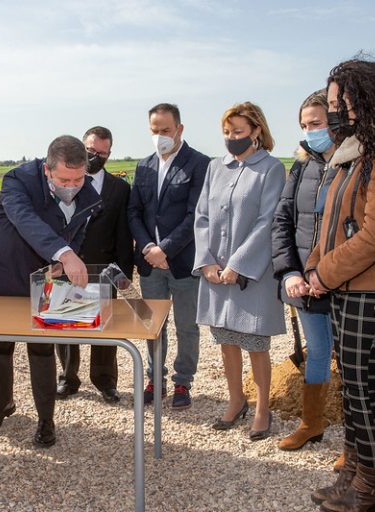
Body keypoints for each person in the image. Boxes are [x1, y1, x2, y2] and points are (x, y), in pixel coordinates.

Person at [303, 60, 375, 512]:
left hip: (368, 289)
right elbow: (327, 223)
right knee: (351, 389)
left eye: (340, 102)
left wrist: (325, 273)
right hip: (344, 287)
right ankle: (352, 471)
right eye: (330, 103)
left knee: (364, 390)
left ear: (363, 100)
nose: (335, 110)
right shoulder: (348, 155)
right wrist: (312, 267)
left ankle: (370, 487)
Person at [0, 135, 101, 448]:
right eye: (64, 178)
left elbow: (77, 233)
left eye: (78, 178)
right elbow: (25, 220)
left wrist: (64, 260)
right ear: (47, 170)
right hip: (0, 274)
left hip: (42, 280)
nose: (72, 185)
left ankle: (45, 420)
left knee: (41, 346)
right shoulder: (18, 180)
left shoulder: (91, 195)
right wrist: (64, 253)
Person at [194, 102, 286, 440]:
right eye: (227, 132)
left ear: (257, 131)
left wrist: (238, 264)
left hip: (252, 274)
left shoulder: (272, 169)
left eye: (238, 132)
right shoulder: (215, 167)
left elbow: (268, 221)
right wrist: (206, 261)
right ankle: (236, 400)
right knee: (226, 339)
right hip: (215, 272)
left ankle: (262, 408)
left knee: (255, 342)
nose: (231, 138)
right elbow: (201, 216)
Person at [127, 103, 210, 409]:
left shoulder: (198, 164)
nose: (160, 136)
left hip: (183, 261)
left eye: (165, 130)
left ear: (179, 129)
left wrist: (167, 248)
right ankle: (154, 378)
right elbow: (134, 211)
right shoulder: (144, 166)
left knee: (186, 325)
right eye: (154, 130)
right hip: (150, 264)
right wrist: (149, 247)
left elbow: (196, 214)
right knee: (153, 326)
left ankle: (182, 382)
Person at [271, 90, 338, 451]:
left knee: (355, 360)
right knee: (317, 350)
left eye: (317, 123)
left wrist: (326, 276)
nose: (310, 131)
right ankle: (312, 423)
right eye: (304, 125)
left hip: (343, 284)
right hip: (305, 286)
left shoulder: (357, 164)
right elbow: (282, 220)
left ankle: (360, 444)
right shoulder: (301, 166)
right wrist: (291, 273)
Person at [55, 126, 133, 404]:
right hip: (67, 264)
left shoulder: (120, 188)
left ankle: (105, 381)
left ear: (110, 153)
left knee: (105, 328)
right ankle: (68, 378)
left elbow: (124, 231)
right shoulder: (63, 181)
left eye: (102, 152)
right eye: (91, 151)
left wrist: (124, 272)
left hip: (104, 267)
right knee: (65, 324)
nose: (96, 156)